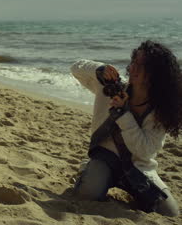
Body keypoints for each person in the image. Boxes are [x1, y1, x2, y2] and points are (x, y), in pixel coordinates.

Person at [71, 40, 180, 216]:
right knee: (87, 195)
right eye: (134, 62)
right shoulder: (111, 86)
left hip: (137, 167)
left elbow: (144, 150)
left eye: (142, 65)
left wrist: (122, 114)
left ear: (155, 73)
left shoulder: (160, 110)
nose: (134, 68)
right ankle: (89, 169)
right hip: (105, 159)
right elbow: (76, 68)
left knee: (168, 212)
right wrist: (99, 69)